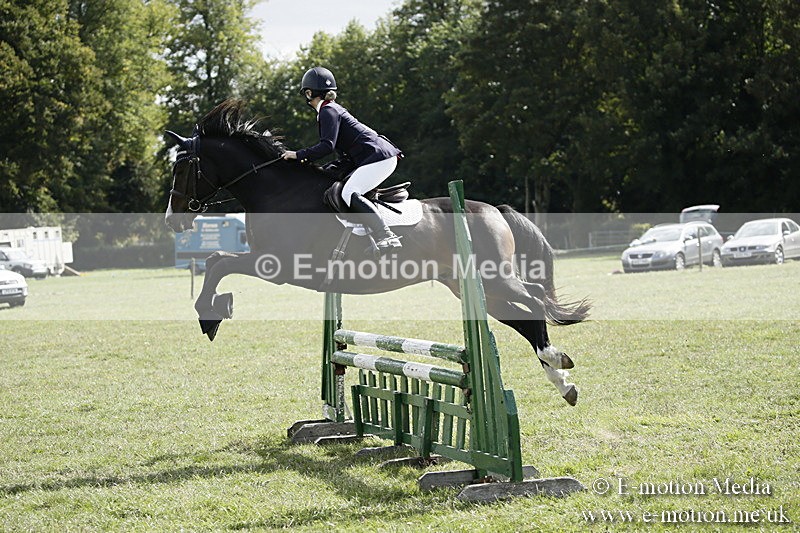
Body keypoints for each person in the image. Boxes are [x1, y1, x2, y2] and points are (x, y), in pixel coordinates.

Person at [282, 66, 403, 252]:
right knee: (345, 188)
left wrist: (298, 155)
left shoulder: (327, 111)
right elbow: (342, 153)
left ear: (308, 93)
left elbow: (326, 145)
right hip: (376, 156)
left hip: (379, 157)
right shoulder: (331, 109)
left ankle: (386, 236)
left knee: (349, 193)